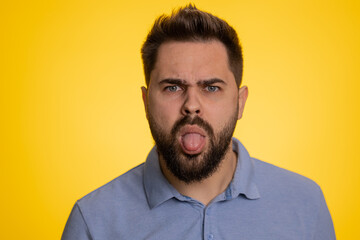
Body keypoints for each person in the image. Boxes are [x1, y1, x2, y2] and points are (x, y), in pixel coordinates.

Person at [62, 4, 336, 240]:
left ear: (240, 102)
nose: (191, 105)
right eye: (172, 87)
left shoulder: (306, 204)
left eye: (211, 88)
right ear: (146, 102)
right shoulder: (94, 220)